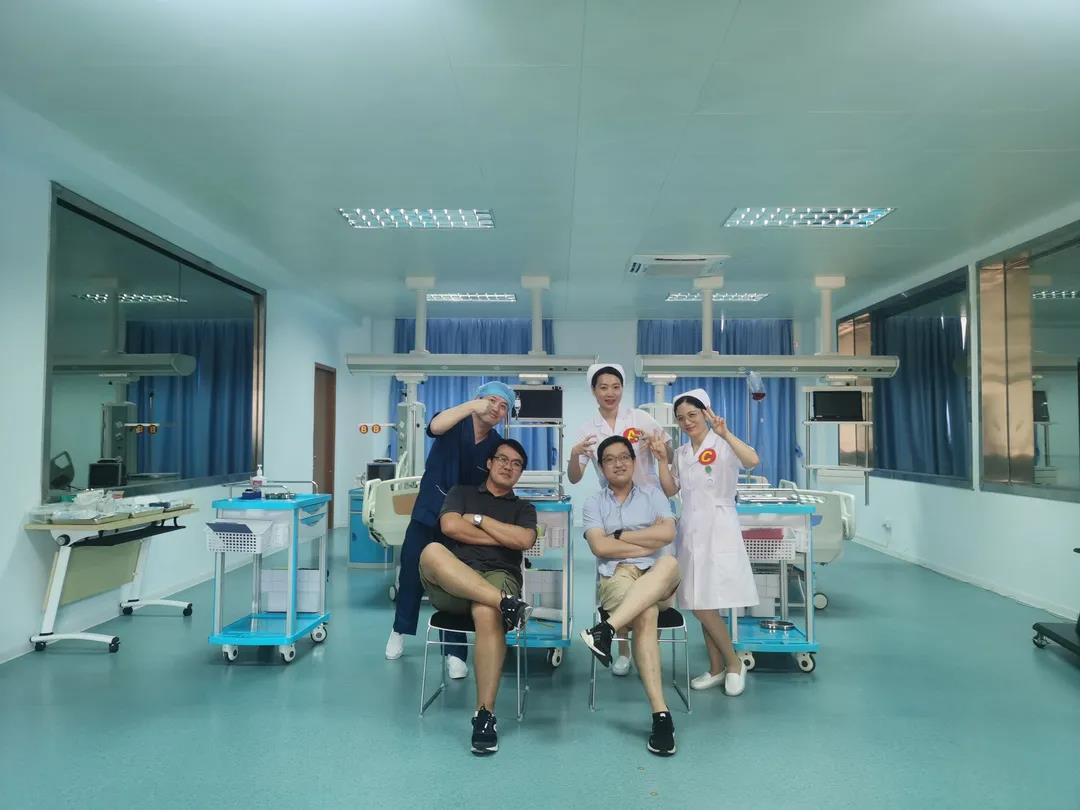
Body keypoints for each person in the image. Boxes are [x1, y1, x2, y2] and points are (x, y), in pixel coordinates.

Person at [384, 381, 516, 681]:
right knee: (410, 575)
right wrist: (471, 406)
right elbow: (434, 427)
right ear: (478, 400)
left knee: (455, 584)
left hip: (459, 522)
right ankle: (399, 630)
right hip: (428, 512)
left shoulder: (495, 445)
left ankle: (454, 652)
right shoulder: (454, 421)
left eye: (503, 406)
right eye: (491, 401)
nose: (496, 409)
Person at [418, 439, 536, 756]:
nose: (508, 466)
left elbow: (524, 539)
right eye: (503, 459)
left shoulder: (523, 508)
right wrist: (503, 537)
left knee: (487, 611)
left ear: (520, 473)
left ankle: (484, 715)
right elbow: (450, 526)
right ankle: (507, 604)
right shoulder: (462, 492)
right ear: (489, 463)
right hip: (455, 580)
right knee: (432, 551)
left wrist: (480, 520)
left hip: (499, 576)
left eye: (516, 464)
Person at [649, 388, 760, 697]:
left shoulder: (723, 443)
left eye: (693, 415)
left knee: (704, 604)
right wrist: (662, 461)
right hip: (690, 530)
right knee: (700, 599)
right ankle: (716, 668)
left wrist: (725, 433)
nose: (687, 422)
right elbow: (670, 490)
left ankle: (733, 664)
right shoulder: (682, 453)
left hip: (719, 527)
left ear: (706, 414)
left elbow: (752, 460)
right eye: (681, 418)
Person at [579, 435, 682, 757]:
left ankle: (605, 630)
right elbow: (600, 547)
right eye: (609, 459)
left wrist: (622, 535)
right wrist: (647, 542)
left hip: (657, 575)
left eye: (624, 457)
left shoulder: (653, 495)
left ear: (634, 462)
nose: (618, 463)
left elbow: (669, 534)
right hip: (617, 576)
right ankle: (661, 715)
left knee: (670, 562)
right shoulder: (593, 503)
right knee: (646, 612)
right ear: (601, 467)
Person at [568, 362, 672, 676]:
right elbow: (574, 477)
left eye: (615, 386)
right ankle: (625, 650)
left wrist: (658, 448)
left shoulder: (641, 418)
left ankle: (648, 648)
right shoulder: (588, 429)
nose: (610, 392)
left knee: (654, 577)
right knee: (621, 577)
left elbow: (667, 450)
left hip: (649, 504)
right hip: (614, 508)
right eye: (603, 387)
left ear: (622, 388)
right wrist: (574, 454)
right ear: (594, 391)